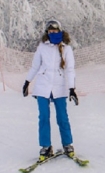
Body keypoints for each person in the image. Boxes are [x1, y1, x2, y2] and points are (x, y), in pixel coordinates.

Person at [23, 20, 79, 161]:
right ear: (47, 32)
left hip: (59, 87)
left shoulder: (66, 49)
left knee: (62, 117)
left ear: (59, 31)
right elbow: (35, 66)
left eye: (55, 31)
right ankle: (46, 146)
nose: (52, 33)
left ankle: (67, 144)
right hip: (43, 86)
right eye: (50, 31)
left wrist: (72, 88)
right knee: (43, 117)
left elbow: (70, 69)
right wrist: (27, 82)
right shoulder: (42, 47)